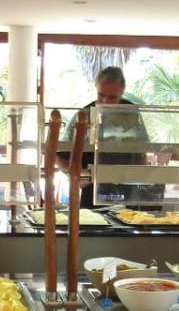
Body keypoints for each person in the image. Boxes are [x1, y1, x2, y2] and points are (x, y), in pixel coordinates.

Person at [57, 66, 152, 208]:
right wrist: (77, 178)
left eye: (112, 97)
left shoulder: (132, 113)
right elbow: (58, 155)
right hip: (92, 194)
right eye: (101, 95)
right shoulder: (84, 115)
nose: (105, 101)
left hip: (127, 194)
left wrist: (141, 179)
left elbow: (142, 151)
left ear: (121, 92)